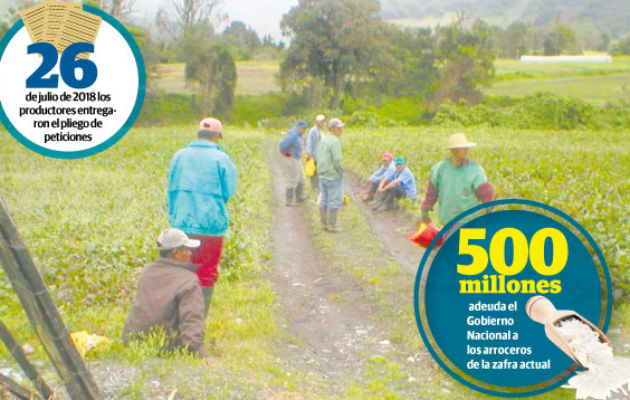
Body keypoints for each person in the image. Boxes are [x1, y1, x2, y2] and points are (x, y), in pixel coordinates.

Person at [167, 117, 237, 314]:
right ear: (216, 136)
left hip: (182, 225)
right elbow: (227, 191)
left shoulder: (179, 156)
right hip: (211, 226)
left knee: (181, 269)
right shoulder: (221, 159)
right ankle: (197, 318)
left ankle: (178, 316)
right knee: (205, 272)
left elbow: (171, 188)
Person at [122, 228, 207, 357]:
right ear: (176, 253)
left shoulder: (147, 272)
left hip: (133, 343)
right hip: (165, 348)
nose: (190, 253)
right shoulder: (188, 281)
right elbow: (192, 319)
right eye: (186, 249)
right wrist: (197, 353)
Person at [421, 133, 494, 225]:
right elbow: (432, 192)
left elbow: (485, 192)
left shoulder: (475, 170)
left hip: (469, 220)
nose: (466, 151)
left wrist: (489, 209)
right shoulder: (440, 168)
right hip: (448, 220)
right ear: (454, 150)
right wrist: (426, 208)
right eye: (463, 148)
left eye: (467, 148)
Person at [316, 118, 345, 232]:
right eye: (339, 128)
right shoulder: (334, 141)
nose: (340, 130)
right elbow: (337, 159)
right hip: (332, 174)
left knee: (324, 198)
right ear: (332, 128)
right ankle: (332, 225)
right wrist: (340, 171)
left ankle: (323, 224)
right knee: (334, 200)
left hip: (322, 173)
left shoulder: (323, 139)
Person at [279, 121, 309, 206]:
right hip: (292, 159)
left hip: (297, 158)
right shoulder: (294, 135)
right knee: (293, 179)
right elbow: (282, 145)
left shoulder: (298, 135)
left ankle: (299, 196)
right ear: (298, 127)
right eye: (303, 128)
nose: (304, 129)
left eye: (305, 128)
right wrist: (286, 153)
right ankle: (289, 200)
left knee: (301, 177)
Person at [305, 114, 326, 191]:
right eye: (320, 121)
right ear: (317, 122)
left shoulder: (321, 130)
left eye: (322, 121)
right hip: (314, 154)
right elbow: (309, 142)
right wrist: (309, 153)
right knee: (313, 171)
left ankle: (317, 185)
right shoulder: (313, 131)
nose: (321, 123)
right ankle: (314, 186)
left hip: (320, 154)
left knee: (318, 170)